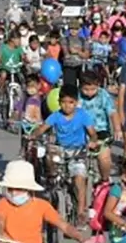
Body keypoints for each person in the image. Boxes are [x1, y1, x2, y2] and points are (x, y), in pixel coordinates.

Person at [29, 85, 100, 216]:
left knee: (79, 179)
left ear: (76, 103)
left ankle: (80, 211)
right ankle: (52, 179)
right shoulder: (55, 116)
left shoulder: (83, 115)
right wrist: (33, 135)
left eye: (71, 102)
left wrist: (93, 141)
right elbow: (43, 128)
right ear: (59, 102)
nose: (67, 106)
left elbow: (93, 133)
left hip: (78, 151)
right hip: (60, 151)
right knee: (49, 155)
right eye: (63, 102)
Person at [79, 71, 119, 182]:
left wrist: (117, 129)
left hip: (101, 131)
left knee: (104, 157)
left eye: (93, 89)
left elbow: (112, 112)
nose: (89, 93)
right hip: (82, 131)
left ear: (98, 86)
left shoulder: (103, 95)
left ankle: (105, 179)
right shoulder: (77, 97)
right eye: (86, 89)